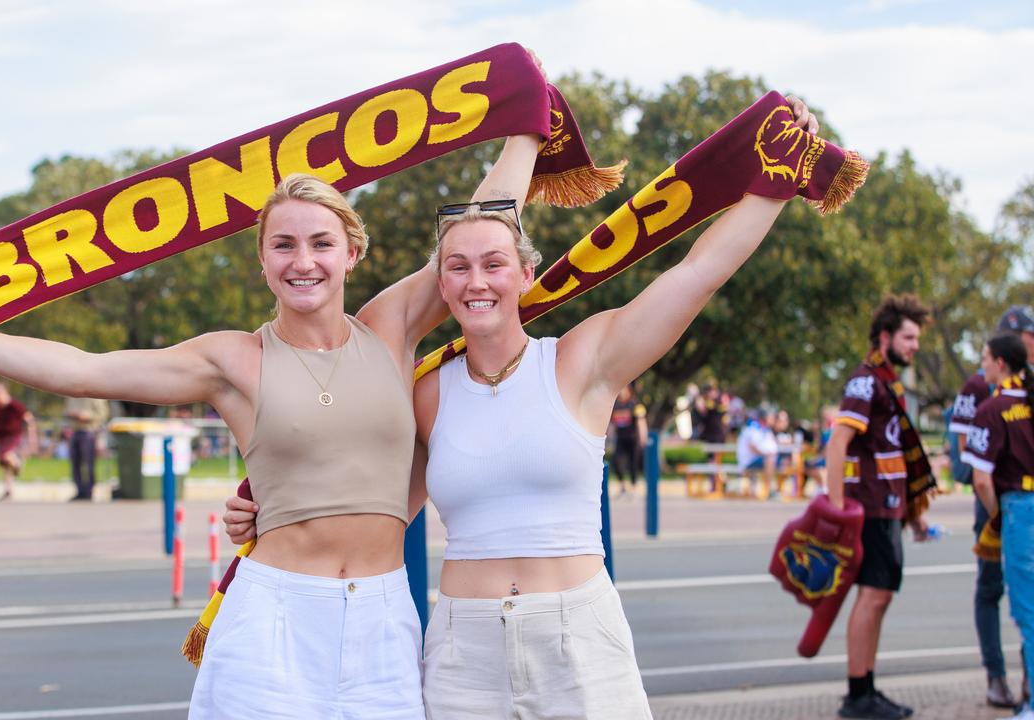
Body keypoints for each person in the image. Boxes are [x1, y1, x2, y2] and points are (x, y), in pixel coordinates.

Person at [0, 120, 543, 717]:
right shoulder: (233, 359)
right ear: (262, 261)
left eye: (321, 242)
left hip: (384, 620)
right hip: (275, 620)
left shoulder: (389, 328)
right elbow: (86, 369)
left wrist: (526, 135)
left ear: (351, 253)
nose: (302, 260)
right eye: (282, 245)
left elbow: (485, 225)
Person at [227, 96, 822, 720]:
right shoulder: (425, 394)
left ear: (525, 272)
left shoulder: (583, 360)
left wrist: (776, 183)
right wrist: (268, 511)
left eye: (493, 263)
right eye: (456, 267)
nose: (475, 280)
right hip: (462, 656)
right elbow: (368, 505)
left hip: (580, 643)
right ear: (443, 283)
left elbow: (698, 272)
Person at [824, 294, 933, 720]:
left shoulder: (888, 381)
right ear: (885, 337)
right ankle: (858, 695)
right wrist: (836, 510)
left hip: (888, 509)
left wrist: (914, 514)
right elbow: (837, 444)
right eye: (909, 337)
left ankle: (867, 687)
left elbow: (898, 455)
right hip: (867, 509)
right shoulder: (866, 381)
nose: (915, 345)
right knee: (871, 598)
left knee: (880, 597)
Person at [949, 304, 1034, 710]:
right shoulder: (978, 388)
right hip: (996, 502)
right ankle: (995, 675)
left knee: (1027, 598)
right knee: (991, 588)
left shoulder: (1022, 386)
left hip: (1017, 502)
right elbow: (965, 457)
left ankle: (1029, 684)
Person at [0, 382, 36, 501]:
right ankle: (8, 490)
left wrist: (32, 436)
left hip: (14, 436)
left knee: (6, 456)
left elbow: (29, 419)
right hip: (3, 437)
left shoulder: (14, 405)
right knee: (5, 465)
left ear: (5, 393)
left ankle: (17, 464)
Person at [63, 395, 109, 501]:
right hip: (75, 431)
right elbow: (66, 411)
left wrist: (87, 416)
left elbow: (103, 414)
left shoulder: (95, 395)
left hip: (89, 432)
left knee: (89, 463)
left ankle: (89, 491)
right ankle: (80, 490)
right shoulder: (71, 396)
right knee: (75, 463)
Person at [609, 384, 647, 495]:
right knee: (616, 461)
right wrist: (608, 438)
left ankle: (634, 487)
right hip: (621, 438)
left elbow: (641, 422)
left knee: (633, 463)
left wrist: (643, 437)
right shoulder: (615, 405)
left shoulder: (635, 405)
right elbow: (611, 423)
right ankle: (622, 486)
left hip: (633, 439)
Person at [736, 408, 779, 495]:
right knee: (770, 460)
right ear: (765, 418)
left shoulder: (765, 430)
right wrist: (767, 454)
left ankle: (774, 489)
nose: (773, 419)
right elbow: (753, 447)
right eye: (771, 417)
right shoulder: (753, 428)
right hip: (749, 461)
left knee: (775, 460)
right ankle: (769, 490)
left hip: (758, 459)